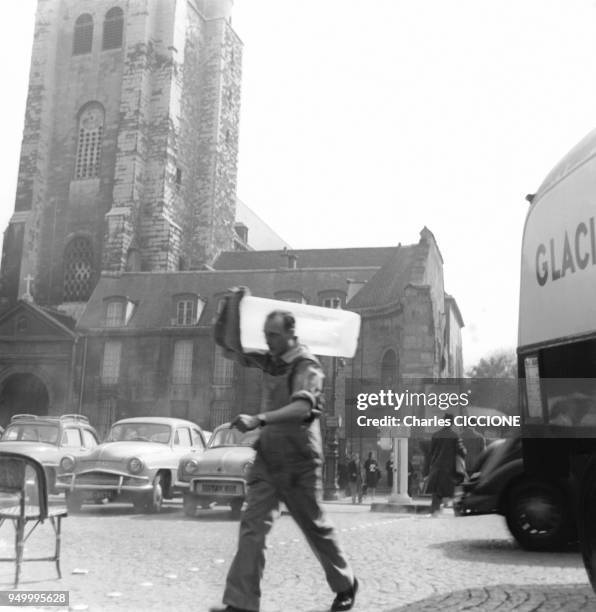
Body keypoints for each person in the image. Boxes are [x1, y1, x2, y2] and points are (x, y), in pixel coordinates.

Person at [210, 299, 358, 612]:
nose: (268, 340)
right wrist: (234, 306)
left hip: (299, 461)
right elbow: (231, 347)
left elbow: (303, 407)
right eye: (266, 334)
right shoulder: (271, 360)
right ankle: (241, 603)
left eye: (274, 335)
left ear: (291, 335)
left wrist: (259, 419)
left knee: (314, 527)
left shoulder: (308, 366)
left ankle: (346, 583)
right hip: (268, 459)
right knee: (252, 529)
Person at [424, 413, 467, 516]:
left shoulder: (435, 435)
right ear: (452, 423)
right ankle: (456, 512)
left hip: (436, 468)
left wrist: (427, 469)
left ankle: (435, 511)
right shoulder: (455, 436)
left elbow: (430, 453)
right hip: (449, 469)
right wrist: (464, 452)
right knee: (454, 491)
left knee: (437, 491)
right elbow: (461, 451)